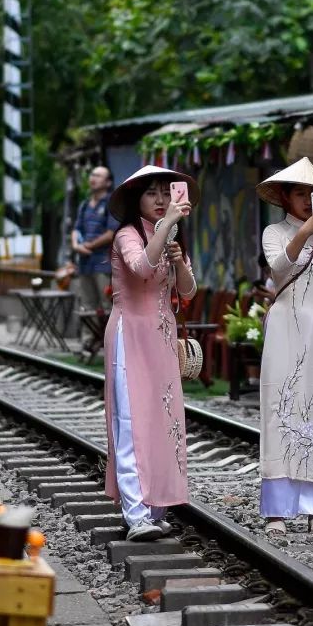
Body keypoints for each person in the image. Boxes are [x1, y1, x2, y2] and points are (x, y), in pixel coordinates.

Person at [103, 165, 199, 541]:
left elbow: (188, 291)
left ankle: (156, 508)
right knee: (131, 422)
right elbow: (141, 268)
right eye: (151, 194)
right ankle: (136, 512)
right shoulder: (126, 234)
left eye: (165, 192)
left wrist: (177, 258)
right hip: (130, 335)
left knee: (162, 420)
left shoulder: (173, 235)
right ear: (136, 201)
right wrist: (164, 230)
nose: (161, 200)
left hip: (161, 339)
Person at [255, 157, 313, 536]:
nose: (309, 200)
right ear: (283, 197)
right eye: (300, 193)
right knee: (280, 411)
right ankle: (277, 510)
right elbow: (278, 269)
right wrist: (305, 231)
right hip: (284, 327)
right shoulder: (273, 231)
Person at [72, 166, 120, 313]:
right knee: (87, 306)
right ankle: (88, 337)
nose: (93, 178)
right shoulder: (85, 204)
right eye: (92, 175)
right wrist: (75, 245)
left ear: (108, 182)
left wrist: (89, 245)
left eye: (98, 176)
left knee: (107, 306)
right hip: (85, 263)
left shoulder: (111, 203)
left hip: (103, 264)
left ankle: (105, 337)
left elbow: (112, 233)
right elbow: (76, 229)